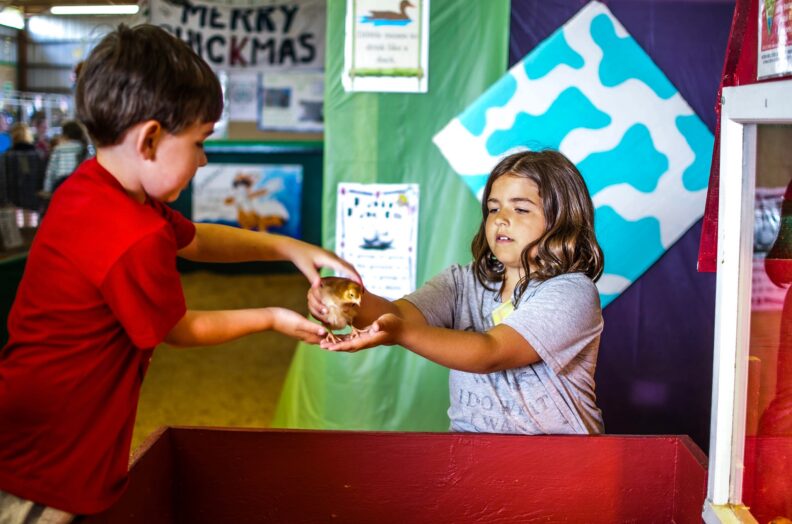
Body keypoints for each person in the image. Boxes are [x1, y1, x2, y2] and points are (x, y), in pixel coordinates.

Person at [0, 24, 359, 523]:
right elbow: (181, 329)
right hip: (51, 461)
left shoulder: (98, 189)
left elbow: (199, 239)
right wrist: (274, 317)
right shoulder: (131, 233)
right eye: (199, 141)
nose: (204, 157)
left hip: (33, 428)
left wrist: (290, 247)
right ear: (150, 139)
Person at [310, 150, 605, 435]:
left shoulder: (573, 292)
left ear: (562, 220)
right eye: (493, 208)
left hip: (562, 461)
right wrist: (346, 298)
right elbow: (397, 314)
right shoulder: (462, 282)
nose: (501, 218)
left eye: (520, 208)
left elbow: (491, 351)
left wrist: (399, 332)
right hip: (469, 452)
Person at [43, 120, 90, 192]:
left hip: (60, 185)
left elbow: (51, 172)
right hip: (79, 185)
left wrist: (47, 189)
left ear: (65, 134)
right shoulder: (85, 149)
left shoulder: (58, 149)